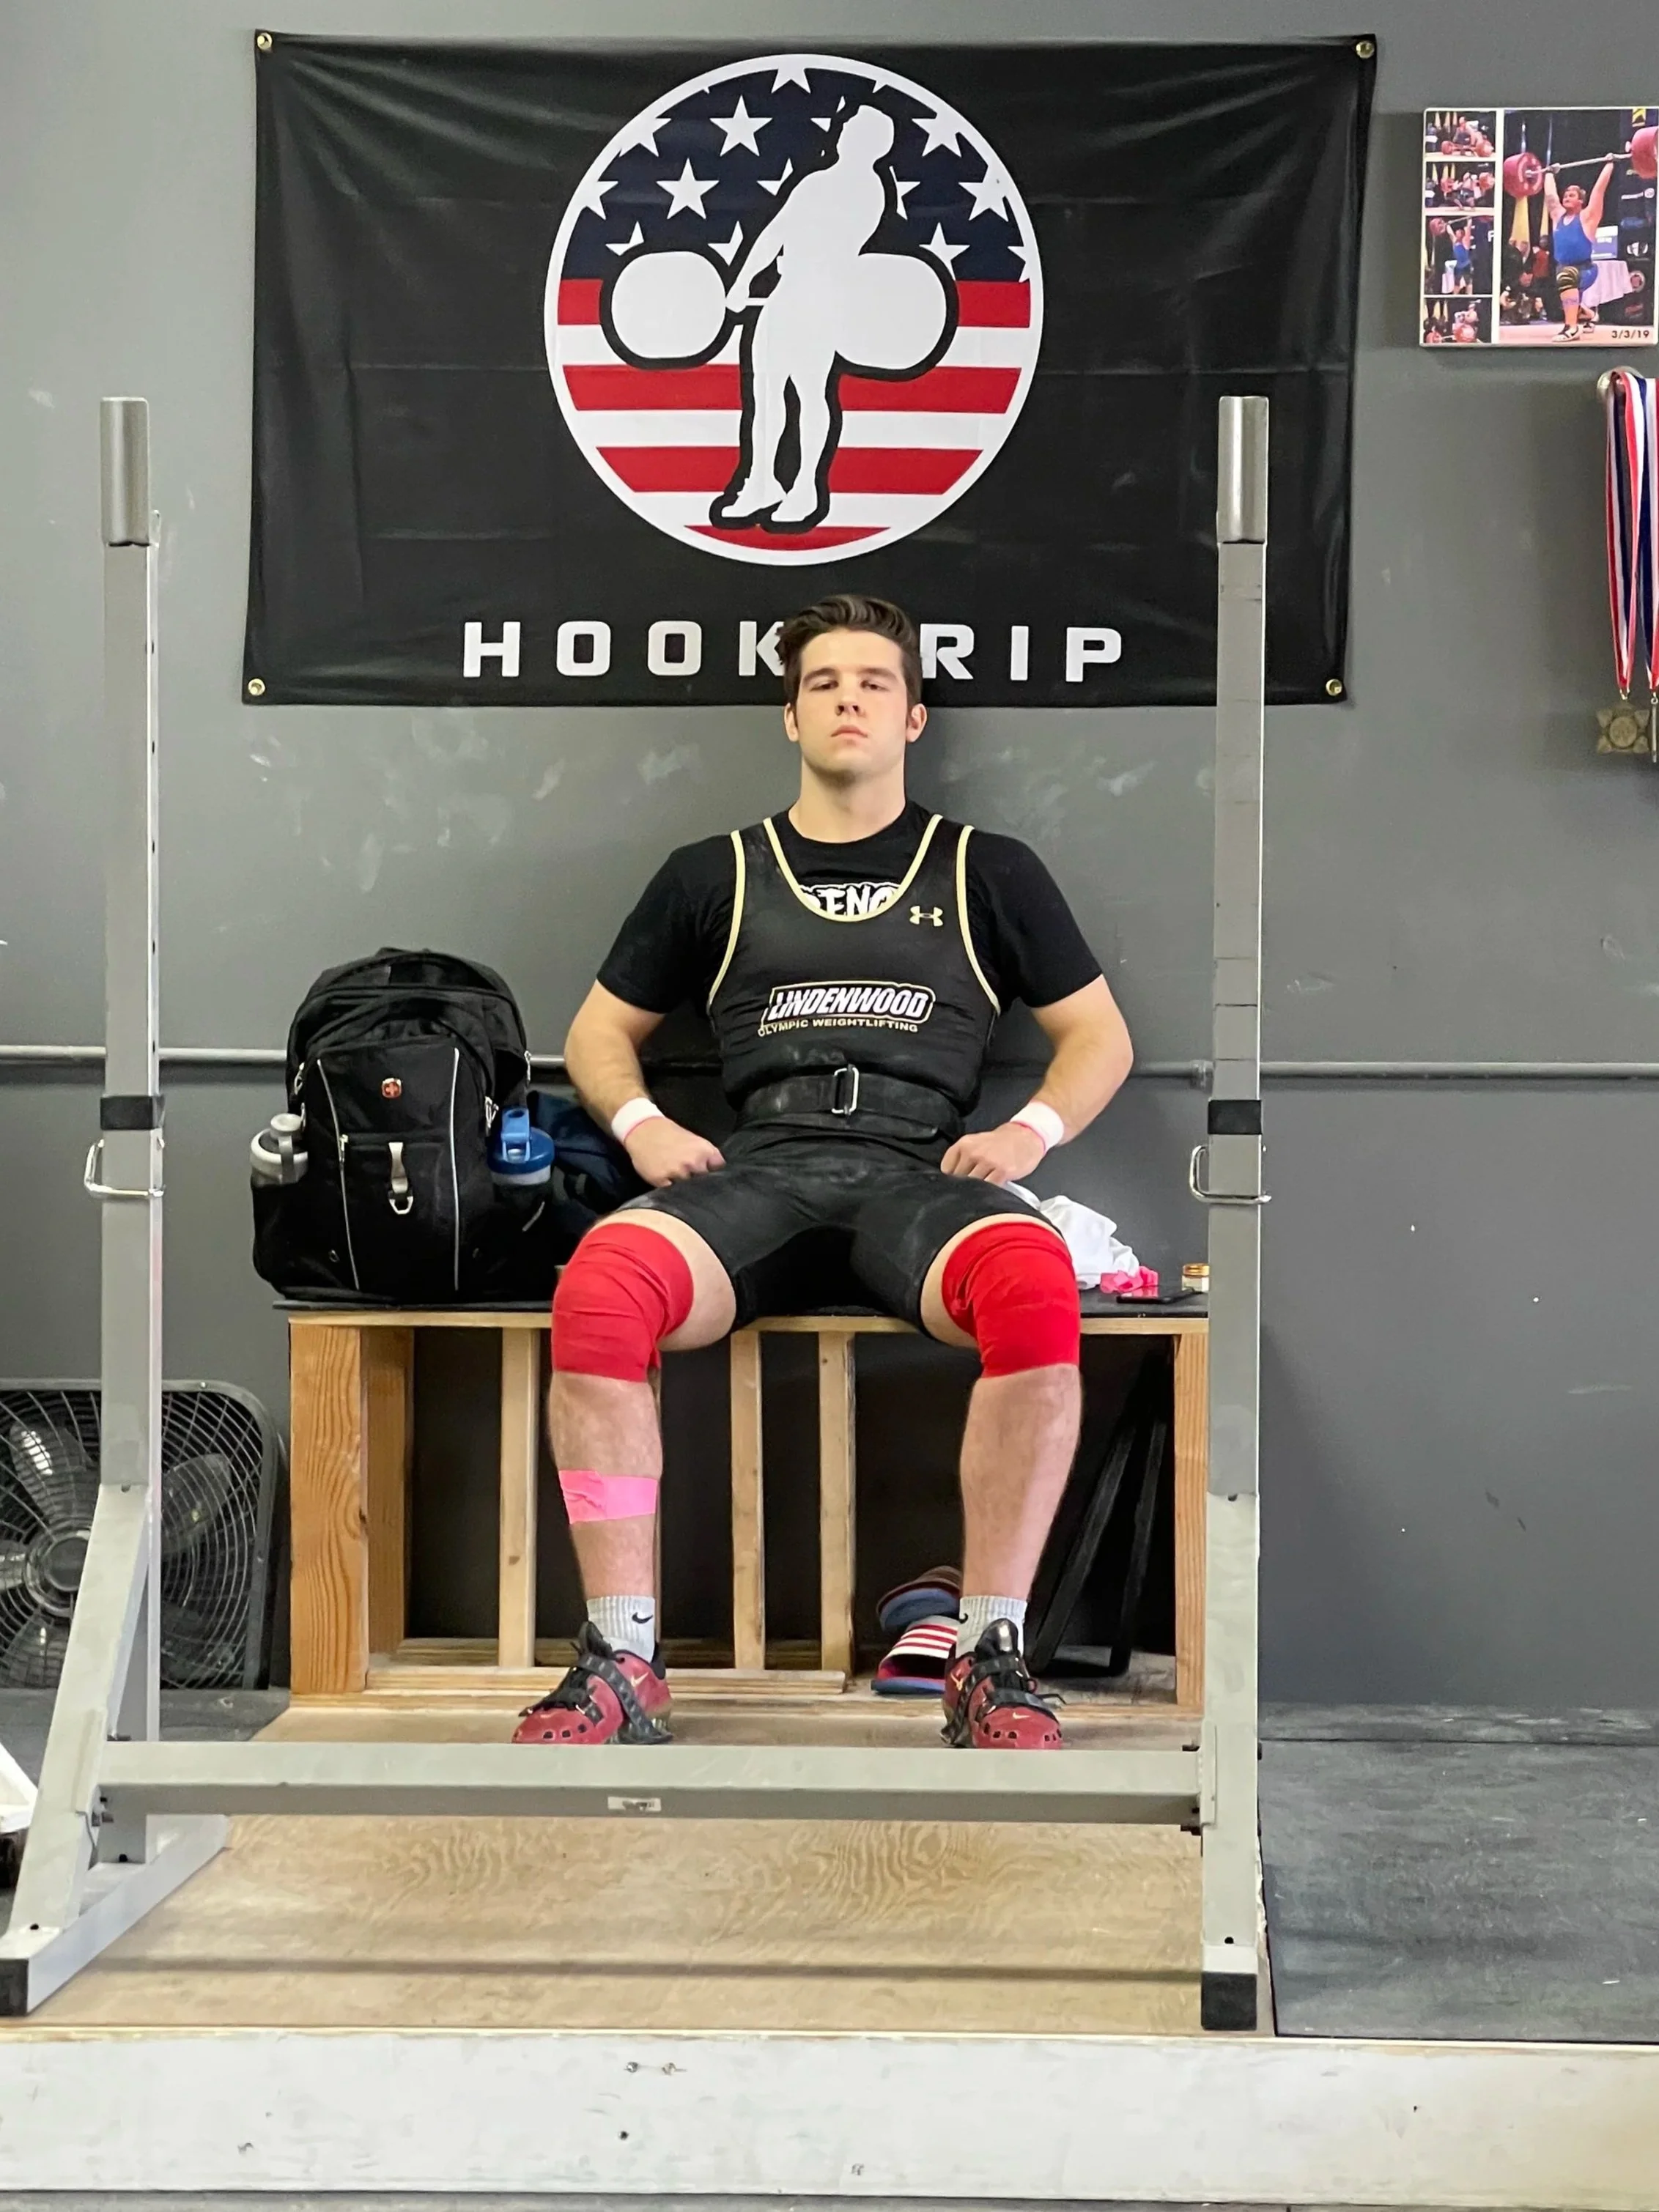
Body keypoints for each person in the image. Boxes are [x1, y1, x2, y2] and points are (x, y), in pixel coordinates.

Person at [513, 594, 1134, 1752]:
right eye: (825, 683)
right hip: (761, 1169)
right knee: (600, 1284)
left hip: (917, 1171)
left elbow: (1100, 1036)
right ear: (789, 716)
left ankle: (990, 1652)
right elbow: (598, 1031)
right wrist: (643, 1122)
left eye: (876, 682)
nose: (850, 697)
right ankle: (622, 1652)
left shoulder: (986, 868)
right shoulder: (716, 872)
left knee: (1036, 1285)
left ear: (915, 716)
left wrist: (1029, 1133)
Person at [1545, 158, 1616, 337]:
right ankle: (1591, 315)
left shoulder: (1587, 218)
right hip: (1563, 269)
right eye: (1566, 195)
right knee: (1569, 303)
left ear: (1581, 201)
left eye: (1572, 195)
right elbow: (1551, 197)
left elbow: (1599, 192)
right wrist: (1548, 174)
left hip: (1585, 270)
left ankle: (1571, 329)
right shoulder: (1558, 217)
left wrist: (1610, 164)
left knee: (1566, 278)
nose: (1567, 197)